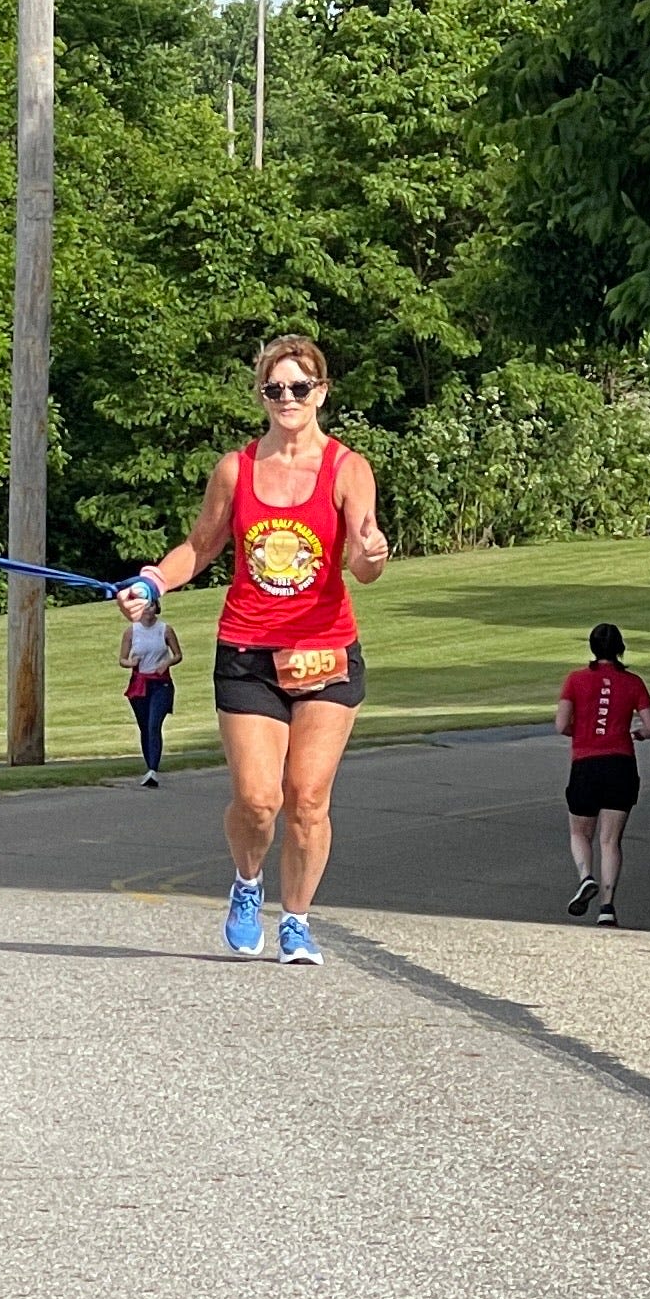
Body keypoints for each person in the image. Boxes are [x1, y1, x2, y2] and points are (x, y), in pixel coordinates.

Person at [126, 333, 390, 966]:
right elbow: (201, 544)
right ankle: (248, 885)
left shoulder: (346, 468)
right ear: (262, 396)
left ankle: (296, 920)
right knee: (258, 798)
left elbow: (362, 559)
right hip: (248, 651)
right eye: (275, 389)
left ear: (321, 393)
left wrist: (371, 554)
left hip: (326, 653)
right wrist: (153, 580)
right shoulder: (236, 469)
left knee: (307, 797)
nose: (288, 399)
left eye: (300, 387)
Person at [555, 621, 650, 924]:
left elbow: (561, 725)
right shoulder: (634, 683)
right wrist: (636, 735)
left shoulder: (575, 680)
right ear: (620, 649)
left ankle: (586, 876)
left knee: (579, 832)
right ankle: (607, 908)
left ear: (592, 647)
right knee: (610, 841)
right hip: (621, 765)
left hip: (586, 764)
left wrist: (583, 732)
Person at [118, 582, 185, 787]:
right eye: (145, 606)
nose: (149, 609)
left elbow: (178, 655)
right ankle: (149, 768)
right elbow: (122, 659)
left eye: (152, 605)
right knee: (144, 726)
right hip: (140, 684)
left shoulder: (165, 630)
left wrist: (166, 662)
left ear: (156, 607)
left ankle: (153, 770)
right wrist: (131, 662)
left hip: (161, 684)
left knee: (154, 724)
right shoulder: (131, 631)